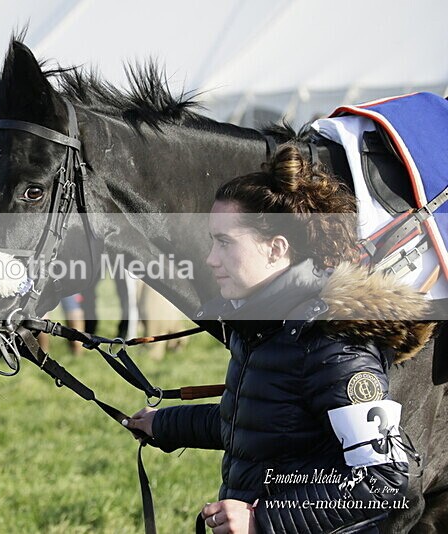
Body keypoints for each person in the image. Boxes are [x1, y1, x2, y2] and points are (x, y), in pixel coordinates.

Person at [125, 145, 432, 533]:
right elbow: (255, 423)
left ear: (276, 249)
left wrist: (261, 520)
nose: (210, 259)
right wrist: (162, 424)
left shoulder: (333, 345)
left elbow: (386, 479)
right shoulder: (262, 327)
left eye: (225, 242)